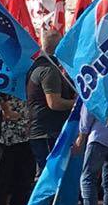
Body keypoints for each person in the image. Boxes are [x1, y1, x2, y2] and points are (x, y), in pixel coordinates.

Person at [26, 29, 76, 168]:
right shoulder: (49, 70)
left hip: (43, 130)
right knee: (49, 175)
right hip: (47, 132)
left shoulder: (37, 66)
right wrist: (77, 104)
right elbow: (54, 103)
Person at [0, 89, 35, 205]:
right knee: (10, 176)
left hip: (13, 136)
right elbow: (7, 114)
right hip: (13, 136)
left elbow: (10, 114)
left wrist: (12, 114)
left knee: (13, 177)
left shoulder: (3, 90)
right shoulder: (3, 92)